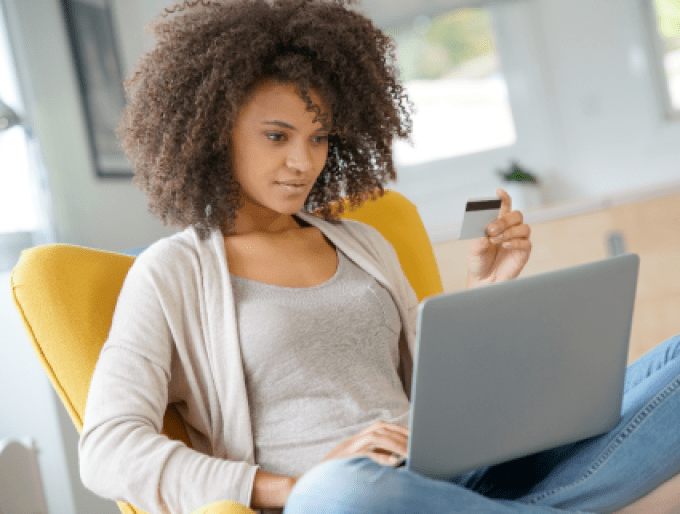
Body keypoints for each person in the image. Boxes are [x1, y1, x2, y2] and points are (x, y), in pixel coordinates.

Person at [78, 1, 680, 513]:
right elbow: (106, 448)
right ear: (213, 130)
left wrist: (483, 291)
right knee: (345, 492)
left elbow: (445, 392)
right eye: (276, 135)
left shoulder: (362, 243)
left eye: (318, 138)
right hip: (345, 494)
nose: (302, 162)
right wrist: (287, 487)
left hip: (449, 472)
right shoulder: (170, 275)